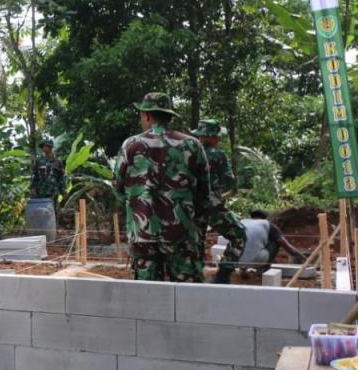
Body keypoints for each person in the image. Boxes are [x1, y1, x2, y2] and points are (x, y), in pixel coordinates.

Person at [115, 93, 209, 282]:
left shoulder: (130, 145)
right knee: (186, 292)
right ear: (169, 116)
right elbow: (204, 192)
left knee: (148, 295)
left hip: (142, 234)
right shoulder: (192, 145)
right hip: (181, 233)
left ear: (147, 116)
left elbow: (118, 187)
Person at [191, 119, 247, 284]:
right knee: (239, 234)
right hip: (212, 205)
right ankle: (223, 275)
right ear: (210, 136)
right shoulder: (217, 155)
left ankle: (195, 278)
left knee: (196, 242)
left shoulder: (188, 152)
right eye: (217, 137)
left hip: (188, 207)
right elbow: (230, 181)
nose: (219, 140)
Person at [236, 209, 306, 273]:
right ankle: (263, 270)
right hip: (257, 260)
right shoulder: (267, 224)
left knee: (244, 242)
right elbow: (287, 247)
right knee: (276, 241)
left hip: (235, 260)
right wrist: (304, 258)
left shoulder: (242, 222)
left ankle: (243, 270)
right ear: (265, 218)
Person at [30, 137, 66, 205]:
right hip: (40, 191)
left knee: (52, 211)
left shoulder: (58, 162)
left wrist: (63, 191)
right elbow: (34, 176)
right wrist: (33, 188)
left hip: (53, 192)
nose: (43, 148)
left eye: (45, 146)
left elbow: (61, 178)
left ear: (50, 147)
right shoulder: (39, 161)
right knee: (41, 211)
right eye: (43, 146)